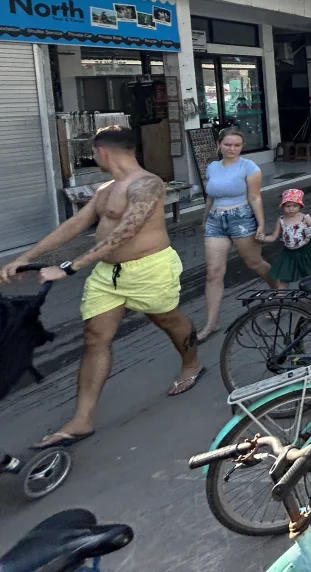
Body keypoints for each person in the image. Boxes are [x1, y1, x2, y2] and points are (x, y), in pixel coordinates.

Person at [0, 126, 202, 448]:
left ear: (102, 151)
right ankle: (82, 419)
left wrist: (69, 267)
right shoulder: (107, 189)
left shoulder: (148, 184)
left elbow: (126, 230)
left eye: (93, 152)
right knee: (95, 338)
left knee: (168, 320)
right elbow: (74, 225)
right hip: (108, 274)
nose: (93, 157)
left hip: (148, 269)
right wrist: (25, 258)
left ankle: (191, 363)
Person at [198, 128, 277, 341]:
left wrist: (261, 224)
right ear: (219, 144)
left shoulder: (249, 167)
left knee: (254, 263)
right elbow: (210, 195)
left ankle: (280, 289)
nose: (232, 149)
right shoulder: (212, 167)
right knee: (213, 272)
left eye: (237, 145)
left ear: (242, 147)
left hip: (242, 217)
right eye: (228, 144)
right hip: (216, 220)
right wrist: (205, 217)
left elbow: (255, 197)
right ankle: (210, 324)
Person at [258, 189, 311, 284]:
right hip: (289, 253)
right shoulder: (281, 220)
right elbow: (273, 237)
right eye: (288, 206)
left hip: (305, 250)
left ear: (300, 206)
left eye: (294, 206)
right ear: (283, 207)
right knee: (284, 276)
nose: (291, 209)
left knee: (310, 272)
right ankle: (281, 295)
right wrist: (263, 238)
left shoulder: (304, 218)